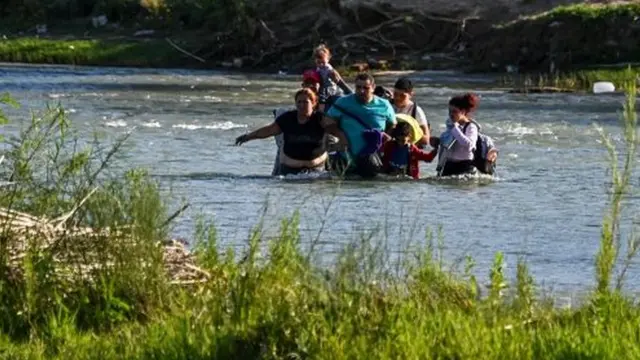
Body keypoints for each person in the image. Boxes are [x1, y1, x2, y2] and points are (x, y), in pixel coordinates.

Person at [236, 88, 344, 176]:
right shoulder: (287, 119)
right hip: (288, 172)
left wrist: (345, 143)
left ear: (313, 103)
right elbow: (268, 130)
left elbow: (338, 132)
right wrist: (247, 137)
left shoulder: (321, 119)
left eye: (305, 102)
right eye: (299, 102)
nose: (301, 105)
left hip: (316, 172)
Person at [323, 72, 396, 177]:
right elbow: (327, 122)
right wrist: (340, 135)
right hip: (346, 158)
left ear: (373, 88)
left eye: (366, 88)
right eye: (358, 87)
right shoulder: (343, 102)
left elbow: (393, 125)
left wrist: (385, 137)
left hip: (373, 159)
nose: (361, 91)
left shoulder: (384, 105)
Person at [438, 93, 482, 177]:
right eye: (449, 111)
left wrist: (455, 129)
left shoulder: (471, 127)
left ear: (463, 111)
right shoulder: (451, 125)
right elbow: (448, 144)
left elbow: (469, 145)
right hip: (449, 165)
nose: (451, 114)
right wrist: (438, 141)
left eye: (454, 111)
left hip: (465, 166)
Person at [312, 44, 353, 111]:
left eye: (323, 62)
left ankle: (321, 111)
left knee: (323, 98)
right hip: (323, 88)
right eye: (318, 62)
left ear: (328, 59)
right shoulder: (318, 68)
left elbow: (339, 81)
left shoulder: (329, 69)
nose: (321, 64)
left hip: (331, 89)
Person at [392, 77, 430, 148]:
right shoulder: (388, 106)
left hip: (408, 152)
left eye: (402, 96)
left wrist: (409, 135)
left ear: (411, 95)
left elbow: (426, 139)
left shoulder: (416, 110)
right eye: (395, 94)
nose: (398, 98)